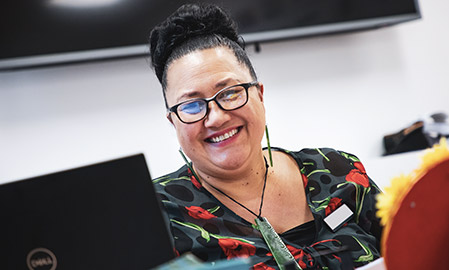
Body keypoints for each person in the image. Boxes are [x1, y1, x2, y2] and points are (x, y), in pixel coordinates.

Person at [149, 3, 382, 269]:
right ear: (173, 121)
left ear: (259, 94)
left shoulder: (339, 171)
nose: (216, 117)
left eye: (229, 93)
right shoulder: (157, 213)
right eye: (191, 105)